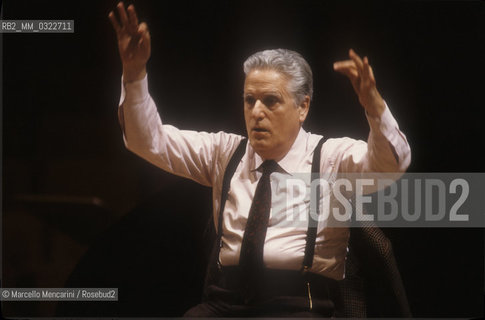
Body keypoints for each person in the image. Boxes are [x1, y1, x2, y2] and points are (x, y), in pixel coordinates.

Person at [109, 2, 411, 317]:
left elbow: (390, 164)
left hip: (298, 304)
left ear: (302, 107)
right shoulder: (224, 152)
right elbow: (149, 141)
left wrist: (374, 107)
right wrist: (134, 74)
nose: (256, 112)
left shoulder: (330, 159)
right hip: (225, 301)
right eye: (249, 100)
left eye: (270, 101)